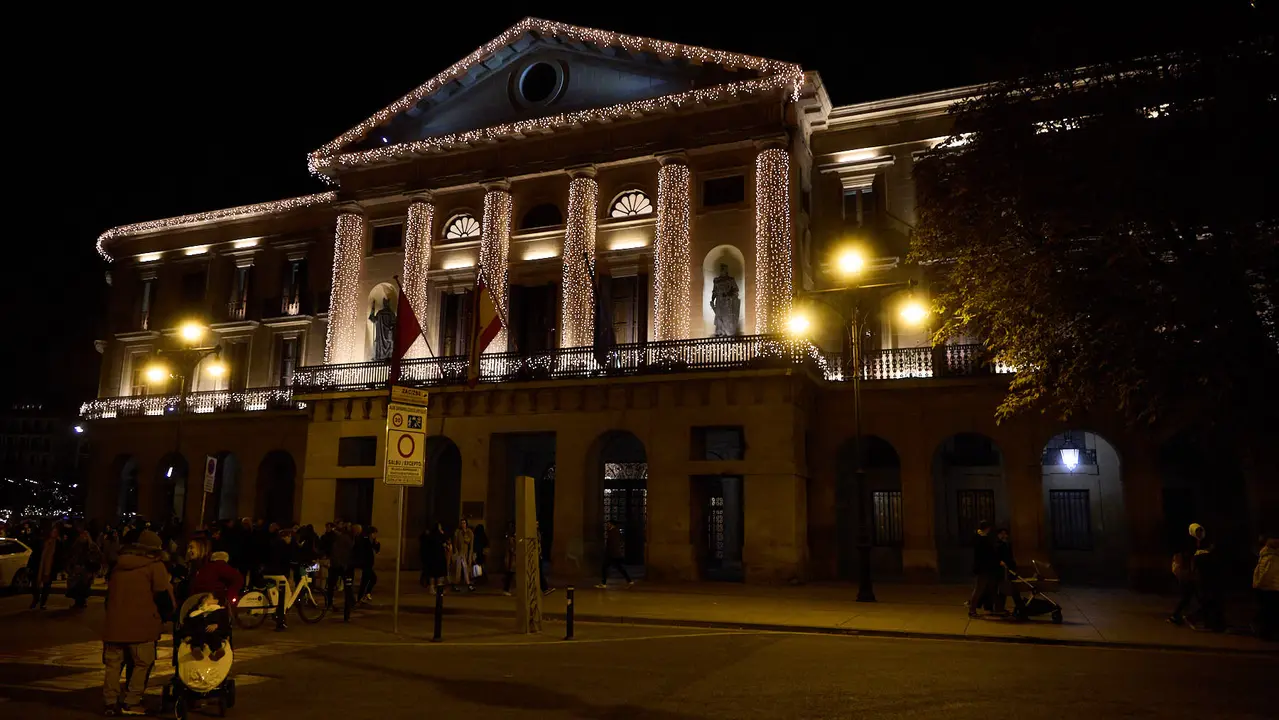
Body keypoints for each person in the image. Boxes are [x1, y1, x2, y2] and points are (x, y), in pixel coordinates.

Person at [102, 529, 174, 716]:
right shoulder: (155, 566)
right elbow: (162, 595)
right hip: (142, 625)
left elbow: (109, 597)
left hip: (115, 625)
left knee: (113, 664)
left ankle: (110, 702)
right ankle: (131, 701)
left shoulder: (118, 565)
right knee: (143, 663)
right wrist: (168, 615)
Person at [967, 521, 1000, 618]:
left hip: (984, 567)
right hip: (984, 568)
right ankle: (972, 610)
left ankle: (997, 608)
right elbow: (988, 553)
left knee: (989, 588)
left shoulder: (980, 538)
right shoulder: (982, 539)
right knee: (979, 589)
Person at [325, 524, 355, 621]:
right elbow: (350, 553)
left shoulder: (336, 540)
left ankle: (329, 603)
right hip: (345, 567)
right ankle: (347, 614)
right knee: (348, 589)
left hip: (336, 566)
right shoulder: (348, 540)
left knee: (331, 585)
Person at [66, 528, 102, 609]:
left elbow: (96, 555)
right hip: (79, 568)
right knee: (77, 586)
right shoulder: (77, 545)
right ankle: (79, 602)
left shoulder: (91, 546)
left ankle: (81, 602)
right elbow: (72, 555)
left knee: (83, 586)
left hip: (86, 569)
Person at [1251, 536, 1278, 641]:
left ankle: (1264, 631)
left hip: (1266, 588)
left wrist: (1257, 583)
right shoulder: (1270, 556)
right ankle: (1266, 632)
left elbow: (1262, 573)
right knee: (1270, 611)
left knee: (1267, 611)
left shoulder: (1266, 556)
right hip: (1272, 588)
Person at [28, 526, 60, 610]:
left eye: (56, 532)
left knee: (47, 586)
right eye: (53, 531)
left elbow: (59, 556)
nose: (55, 534)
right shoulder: (41, 542)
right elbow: (35, 554)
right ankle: (36, 599)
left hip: (49, 567)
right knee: (35, 585)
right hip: (39, 566)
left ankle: (42, 602)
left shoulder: (58, 543)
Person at [596, 520, 634, 589]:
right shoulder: (614, 531)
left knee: (605, 568)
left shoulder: (613, 532)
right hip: (615, 554)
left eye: (608, 524)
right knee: (620, 568)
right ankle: (629, 581)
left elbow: (612, 544)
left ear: (611, 524)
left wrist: (609, 552)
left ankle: (603, 583)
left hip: (612, 554)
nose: (607, 525)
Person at [992, 528, 1018, 615]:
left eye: (1005, 534)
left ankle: (1000, 607)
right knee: (1000, 589)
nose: (1004, 536)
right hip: (1000, 569)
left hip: (1008, 568)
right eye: (1002, 534)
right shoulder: (997, 544)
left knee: (1006, 588)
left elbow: (1010, 556)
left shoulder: (1007, 544)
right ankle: (998, 607)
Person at [355, 526, 380, 602]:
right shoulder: (365, 540)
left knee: (364, 581)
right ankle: (366, 594)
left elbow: (376, 550)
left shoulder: (371, 541)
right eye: (374, 533)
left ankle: (360, 597)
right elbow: (363, 551)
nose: (375, 535)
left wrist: (377, 544)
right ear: (371, 533)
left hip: (368, 564)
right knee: (373, 579)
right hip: (366, 564)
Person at [421, 523, 449, 591]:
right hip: (440, 557)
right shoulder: (440, 535)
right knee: (440, 574)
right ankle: (439, 589)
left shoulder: (430, 535)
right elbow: (445, 544)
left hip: (431, 557)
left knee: (432, 574)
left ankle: (432, 588)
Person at [451, 519, 475, 592]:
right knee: (458, 570)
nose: (463, 525)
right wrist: (456, 552)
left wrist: (470, 556)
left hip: (465, 553)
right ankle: (455, 584)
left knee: (466, 569)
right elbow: (455, 543)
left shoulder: (469, 532)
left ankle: (468, 584)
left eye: (464, 523)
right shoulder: (458, 532)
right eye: (462, 523)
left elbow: (469, 542)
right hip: (459, 553)